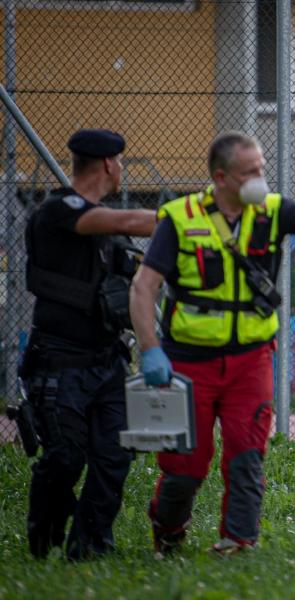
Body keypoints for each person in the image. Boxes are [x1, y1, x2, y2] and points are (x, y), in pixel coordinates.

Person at [129, 131, 295, 555]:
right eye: (250, 171)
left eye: (261, 168)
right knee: (185, 464)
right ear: (221, 177)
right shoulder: (179, 218)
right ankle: (169, 527)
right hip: (188, 362)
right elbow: (144, 288)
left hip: (250, 359)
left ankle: (239, 540)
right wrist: (150, 350)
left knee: (246, 455)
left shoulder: (270, 211)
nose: (260, 178)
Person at [21, 128, 156, 560]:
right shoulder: (56, 212)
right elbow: (124, 219)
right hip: (58, 362)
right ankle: (43, 528)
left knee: (114, 457)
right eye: (119, 163)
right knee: (65, 455)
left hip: (106, 360)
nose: (121, 170)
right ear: (108, 165)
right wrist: (193, 215)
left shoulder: (109, 231)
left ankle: (91, 544)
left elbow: (133, 282)